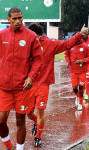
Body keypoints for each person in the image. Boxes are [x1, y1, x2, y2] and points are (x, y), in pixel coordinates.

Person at [27, 23, 88, 147]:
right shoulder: (26, 44)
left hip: (43, 84)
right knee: (28, 112)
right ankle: (36, 123)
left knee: (40, 112)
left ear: (37, 34)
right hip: (29, 83)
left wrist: (78, 35)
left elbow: (66, 44)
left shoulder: (49, 44)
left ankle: (38, 136)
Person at [0, 8, 43, 150]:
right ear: (8, 19)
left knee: (20, 121)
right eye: (14, 19)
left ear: (22, 17)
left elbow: (38, 60)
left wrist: (31, 77)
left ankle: (19, 149)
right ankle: (8, 146)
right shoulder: (2, 35)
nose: (18, 21)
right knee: (1, 121)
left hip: (23, 87)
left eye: (20, 18)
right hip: (4, 86)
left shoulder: (30, 36)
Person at [65, 38, 89, 111]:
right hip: (73, 71)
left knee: (81, 87)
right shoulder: (70, 46)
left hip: (82, 71)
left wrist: (82, 61)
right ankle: (77, 97)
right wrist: (68, 61)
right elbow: (66, 54)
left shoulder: (85, 46)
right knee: (74, 88)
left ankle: (80, 103)